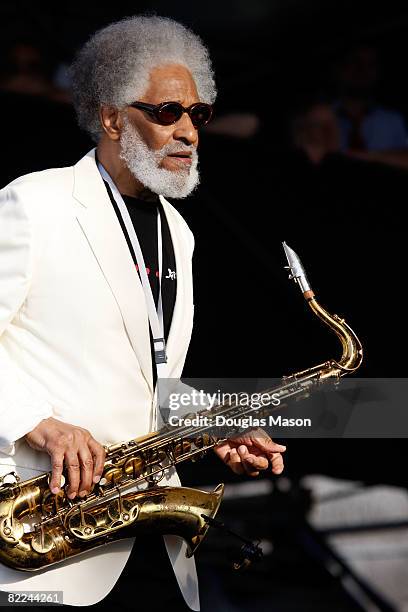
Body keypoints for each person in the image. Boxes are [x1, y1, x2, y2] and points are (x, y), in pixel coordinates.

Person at [0, 15, 286, 611]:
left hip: (152, 538)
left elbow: (148, 378)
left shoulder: (179, 232)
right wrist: (42, 425)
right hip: (48, 536)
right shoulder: (35, 201)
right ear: (110, 117)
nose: (189, 133)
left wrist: (212, 428)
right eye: (167, 112)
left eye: (199, 115)